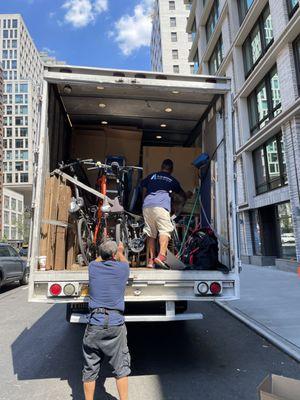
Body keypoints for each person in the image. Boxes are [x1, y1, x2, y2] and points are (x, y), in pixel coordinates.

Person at [82, 240, 131, 400]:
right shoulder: (123, 268)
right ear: (114, 255)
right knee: (121, 367)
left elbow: (97, 259)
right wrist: (121, 251)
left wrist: (103, 252)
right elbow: (124, 260)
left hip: (95, 322)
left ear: (101, 255)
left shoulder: (93, 267)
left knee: (90, 368)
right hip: (115, 323)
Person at [141, 159, 188, 269]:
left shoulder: (152, 176)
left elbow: (142, 186)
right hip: (161, 206)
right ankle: (161, 256)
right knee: (165, 230)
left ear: (161, 166)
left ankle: (151, 261)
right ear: (171, 169)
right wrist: (187, 195)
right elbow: (182, 195)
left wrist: (143, 200)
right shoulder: (172, 180)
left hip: (147, 205)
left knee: (151, 234)